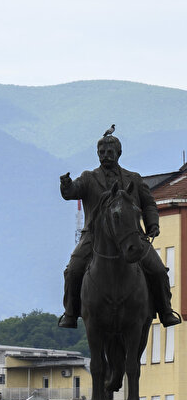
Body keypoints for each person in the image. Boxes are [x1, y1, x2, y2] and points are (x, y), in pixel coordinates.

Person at [58, 130, 179, 329]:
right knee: (73, 270)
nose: (105, 155)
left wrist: (152, 225)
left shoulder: (134, 179)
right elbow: (72, 192)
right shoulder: (89, 178)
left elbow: (148, 204)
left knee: (158, 270)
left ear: (118, 153)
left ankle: (165, 311)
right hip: (95, 237)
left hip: (131, 236)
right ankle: (70, 313)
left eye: (109, 151)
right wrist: (66, 185)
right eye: (101, 151)